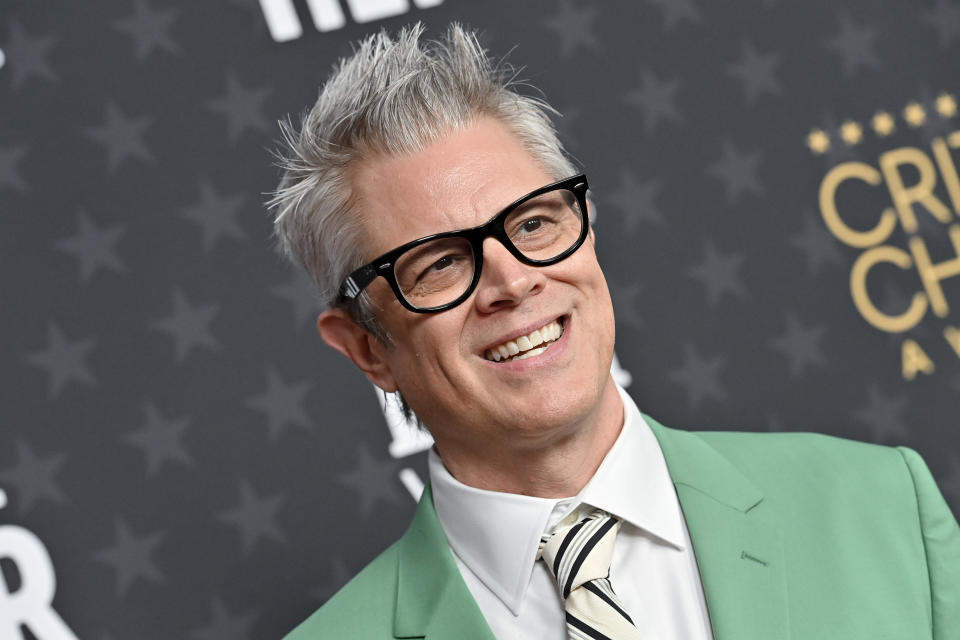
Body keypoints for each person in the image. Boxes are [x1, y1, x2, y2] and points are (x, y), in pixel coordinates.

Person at [269, 23, 960, 640]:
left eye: (535, 223)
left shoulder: (880, 504)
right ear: (365, 346)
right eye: (441, 263)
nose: (514, 282)